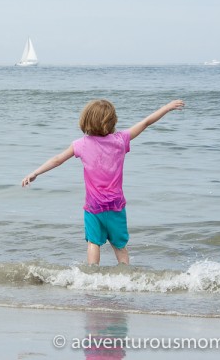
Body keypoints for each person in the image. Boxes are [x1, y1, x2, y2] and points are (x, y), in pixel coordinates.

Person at [21, 99, 185, 265]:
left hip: (94, 207)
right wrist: (166, 108)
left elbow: (57, 160)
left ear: (86, 121)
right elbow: (146, 122)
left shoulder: (81, 144)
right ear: (112, 121)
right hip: (116, 205)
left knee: (93, 243)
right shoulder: (121, 140)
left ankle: (92, 278)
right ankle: (125, 278)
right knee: (119, 246)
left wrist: (36, 172)